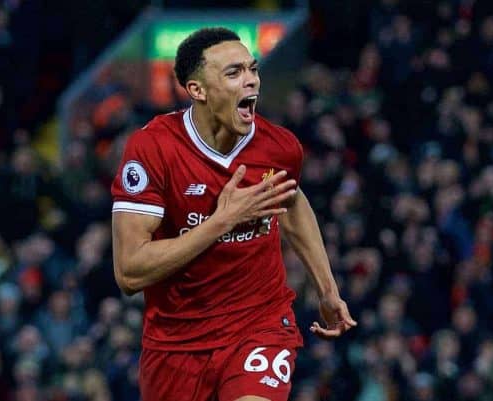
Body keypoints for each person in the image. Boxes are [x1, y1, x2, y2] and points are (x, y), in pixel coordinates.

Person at [111, 27, 356, 401]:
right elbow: (129, 271)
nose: (251, 81)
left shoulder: (280, 148)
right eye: (233, 73)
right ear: (198, 91)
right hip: (176, 343)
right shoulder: (154, 149)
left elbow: (291, 201)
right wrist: (221, 222)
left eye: (252, 69)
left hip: (259, 324)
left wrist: (327, 288)